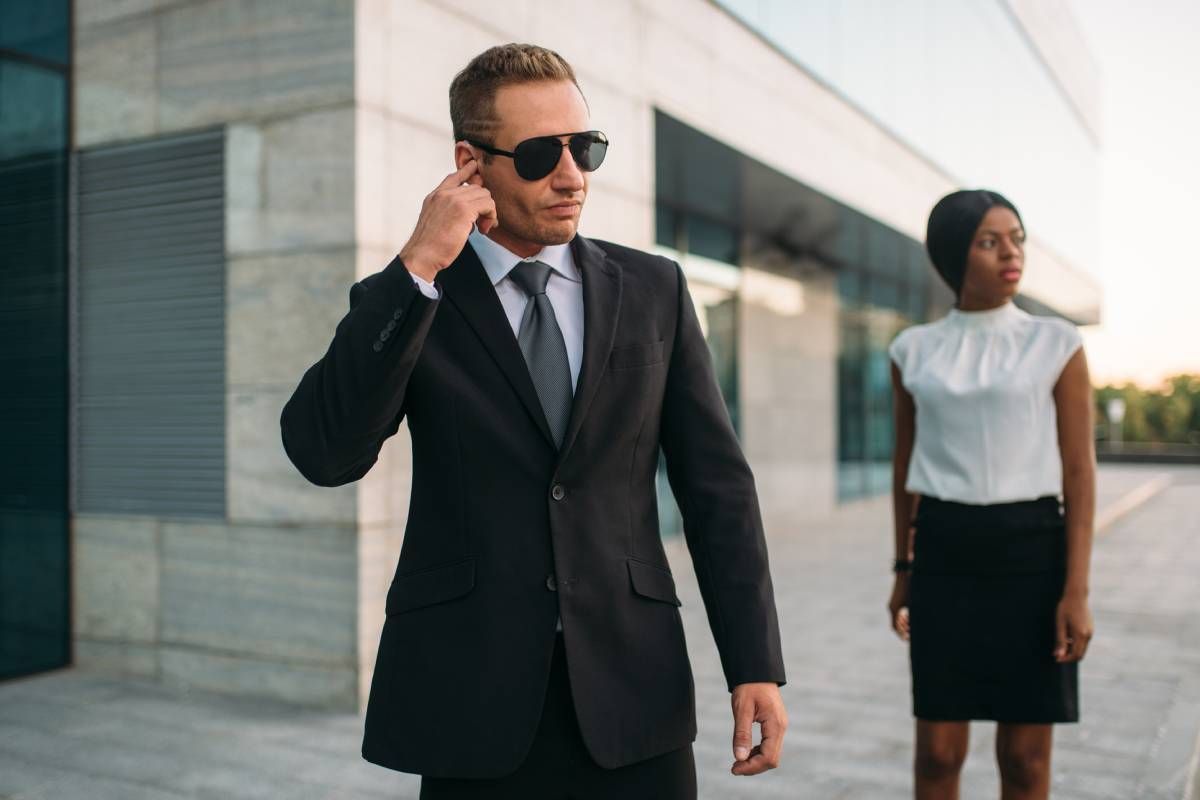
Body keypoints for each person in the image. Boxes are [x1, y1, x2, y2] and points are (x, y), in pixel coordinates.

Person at [279, 43, 787, 799]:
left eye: (585, 148)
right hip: (472, 699)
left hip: (633, 688)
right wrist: (416, 265)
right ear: (470, 163)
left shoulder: (654, 289)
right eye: (542, 153)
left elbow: (718, 488)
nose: (572, 175)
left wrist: (754, 661)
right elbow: (324, 451)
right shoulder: (417, 298)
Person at [887, 189, 1096, 800]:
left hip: (1033, 555)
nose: (1011, 253)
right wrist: (903, 569)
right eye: (989, 241)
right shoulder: (912, 350)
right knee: (937, 754)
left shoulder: (1057, 344)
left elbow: (1080, 473)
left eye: (1017, 237)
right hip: (945, 557)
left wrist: (1076, 590)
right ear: (955, 256)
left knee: (1026, 759)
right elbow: (906, 470)